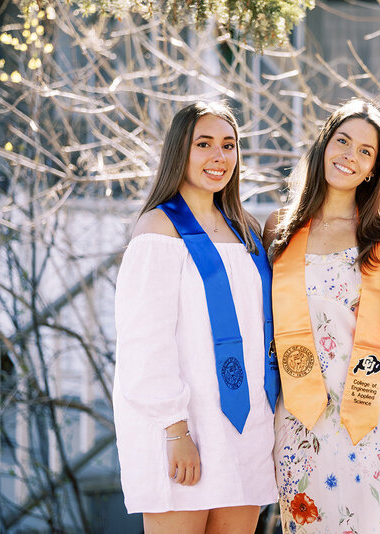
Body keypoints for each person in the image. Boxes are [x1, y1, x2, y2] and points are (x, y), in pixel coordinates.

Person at [112, 101, 279, 533]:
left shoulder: (246, 230)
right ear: (179, 152)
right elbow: (145, 343)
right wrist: (175, 429)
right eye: (203, 144)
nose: (218, 157)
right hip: (187, 430)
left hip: (247, 432)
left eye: (229, 145)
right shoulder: (158, 231)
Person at [264, 99, 380, 533]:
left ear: (374, 169)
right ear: (324, 144)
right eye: (343, 141)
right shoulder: (280, 229)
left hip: (364, 413)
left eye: (365, 151)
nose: (350, 155)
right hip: (298, 420)